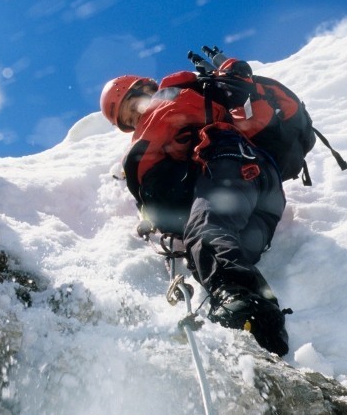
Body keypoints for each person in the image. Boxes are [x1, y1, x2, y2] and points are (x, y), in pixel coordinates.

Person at [100, 67, 290, 356]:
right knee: (226, 249)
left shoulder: (174, 97)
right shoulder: (187, 109)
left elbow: (149, 156)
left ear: (144, 90)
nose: (136, 119)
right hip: (263, 193)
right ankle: (267, 327)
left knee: (206, 232)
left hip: (230, 163)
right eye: (129, 121)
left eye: (132, 108)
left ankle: (241, 302)